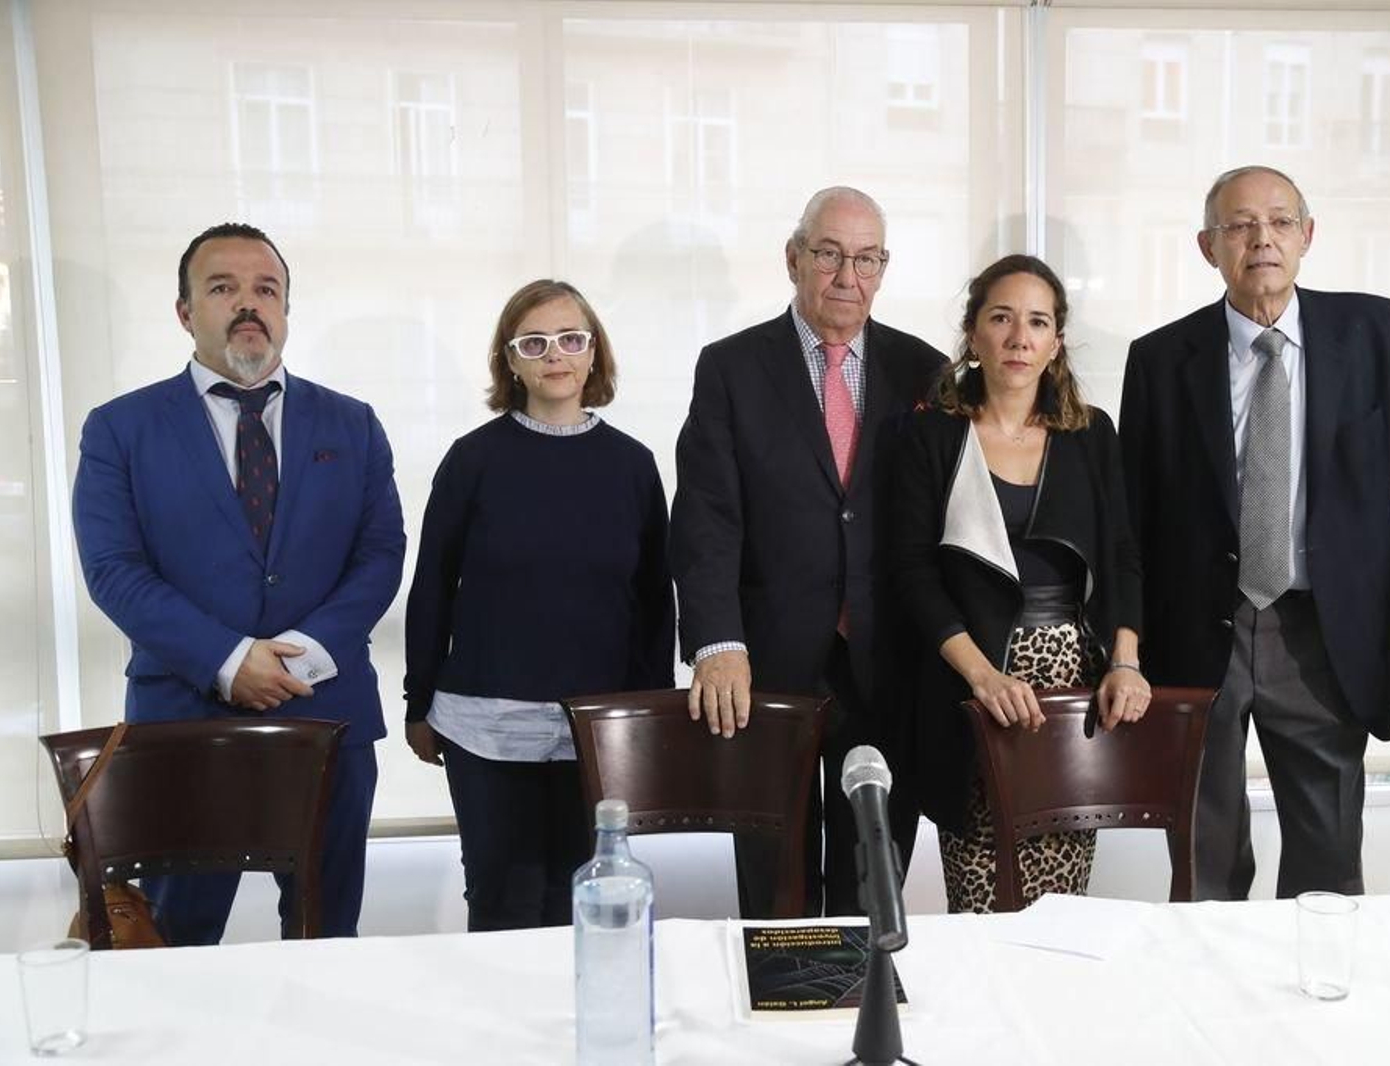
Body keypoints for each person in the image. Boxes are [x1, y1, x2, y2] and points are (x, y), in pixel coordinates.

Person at [1119, 165, 1390, 900]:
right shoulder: (1160, 359)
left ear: (1307, 236)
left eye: (1280, 221)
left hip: (1327, 634)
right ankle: (1207, 1006)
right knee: (1203, 861)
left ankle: (1315, 1008)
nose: (1261, 238)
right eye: (1239, 225)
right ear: (1208, 246)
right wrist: (1125, 646)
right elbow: (1132, 523)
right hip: (1203, 634)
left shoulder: (1378, 334)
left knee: (1328, 867)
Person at [71, 222, 406, 944]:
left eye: (266, 289)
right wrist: (229, 663)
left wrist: (299, 655)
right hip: (185, 723)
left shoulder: (354, 424)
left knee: (325, 935)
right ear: (186, 313)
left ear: (286, 309)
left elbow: (380, 553)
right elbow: (113, 570)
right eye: (222, 288)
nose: (247, 304)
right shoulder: (119, 429)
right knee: (178, 946)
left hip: (327, 713)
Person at [670, 186, 947, 916]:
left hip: (889, 663)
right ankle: (782, 1014)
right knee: (774, 881)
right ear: (794, 258)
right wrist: (716, 643)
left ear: (883, 269)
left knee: (874, 873)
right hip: (764, 664)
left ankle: (865, 1015)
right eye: (828, 254)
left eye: (866, 258)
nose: (847, 276)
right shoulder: (730, 368)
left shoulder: (927, 372)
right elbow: (706, 516)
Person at [403, 279, 674, 931]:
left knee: (580, 902)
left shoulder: (633, 466)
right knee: (502, 904)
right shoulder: (473, 461)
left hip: (597, 731)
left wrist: (650, 714)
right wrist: (418, 704)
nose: (556, 354)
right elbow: (432, 587)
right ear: (511, 360)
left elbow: (653, 603)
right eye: (535, 342)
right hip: (484, 728)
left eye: (571, 339)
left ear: (593, 353)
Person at [889, 254, 1151, 912]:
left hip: (1074, 689)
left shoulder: (1092, 434)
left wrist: (1126, 661)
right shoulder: (930, 434)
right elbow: (913, 572)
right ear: (973, 332)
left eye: (1037, 322)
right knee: (980, 894)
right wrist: (982, 678)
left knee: (1062, 905)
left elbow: (1121, 556)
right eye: (1001, 318)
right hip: (973, 684)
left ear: (1056, 342)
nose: (1018, 337)